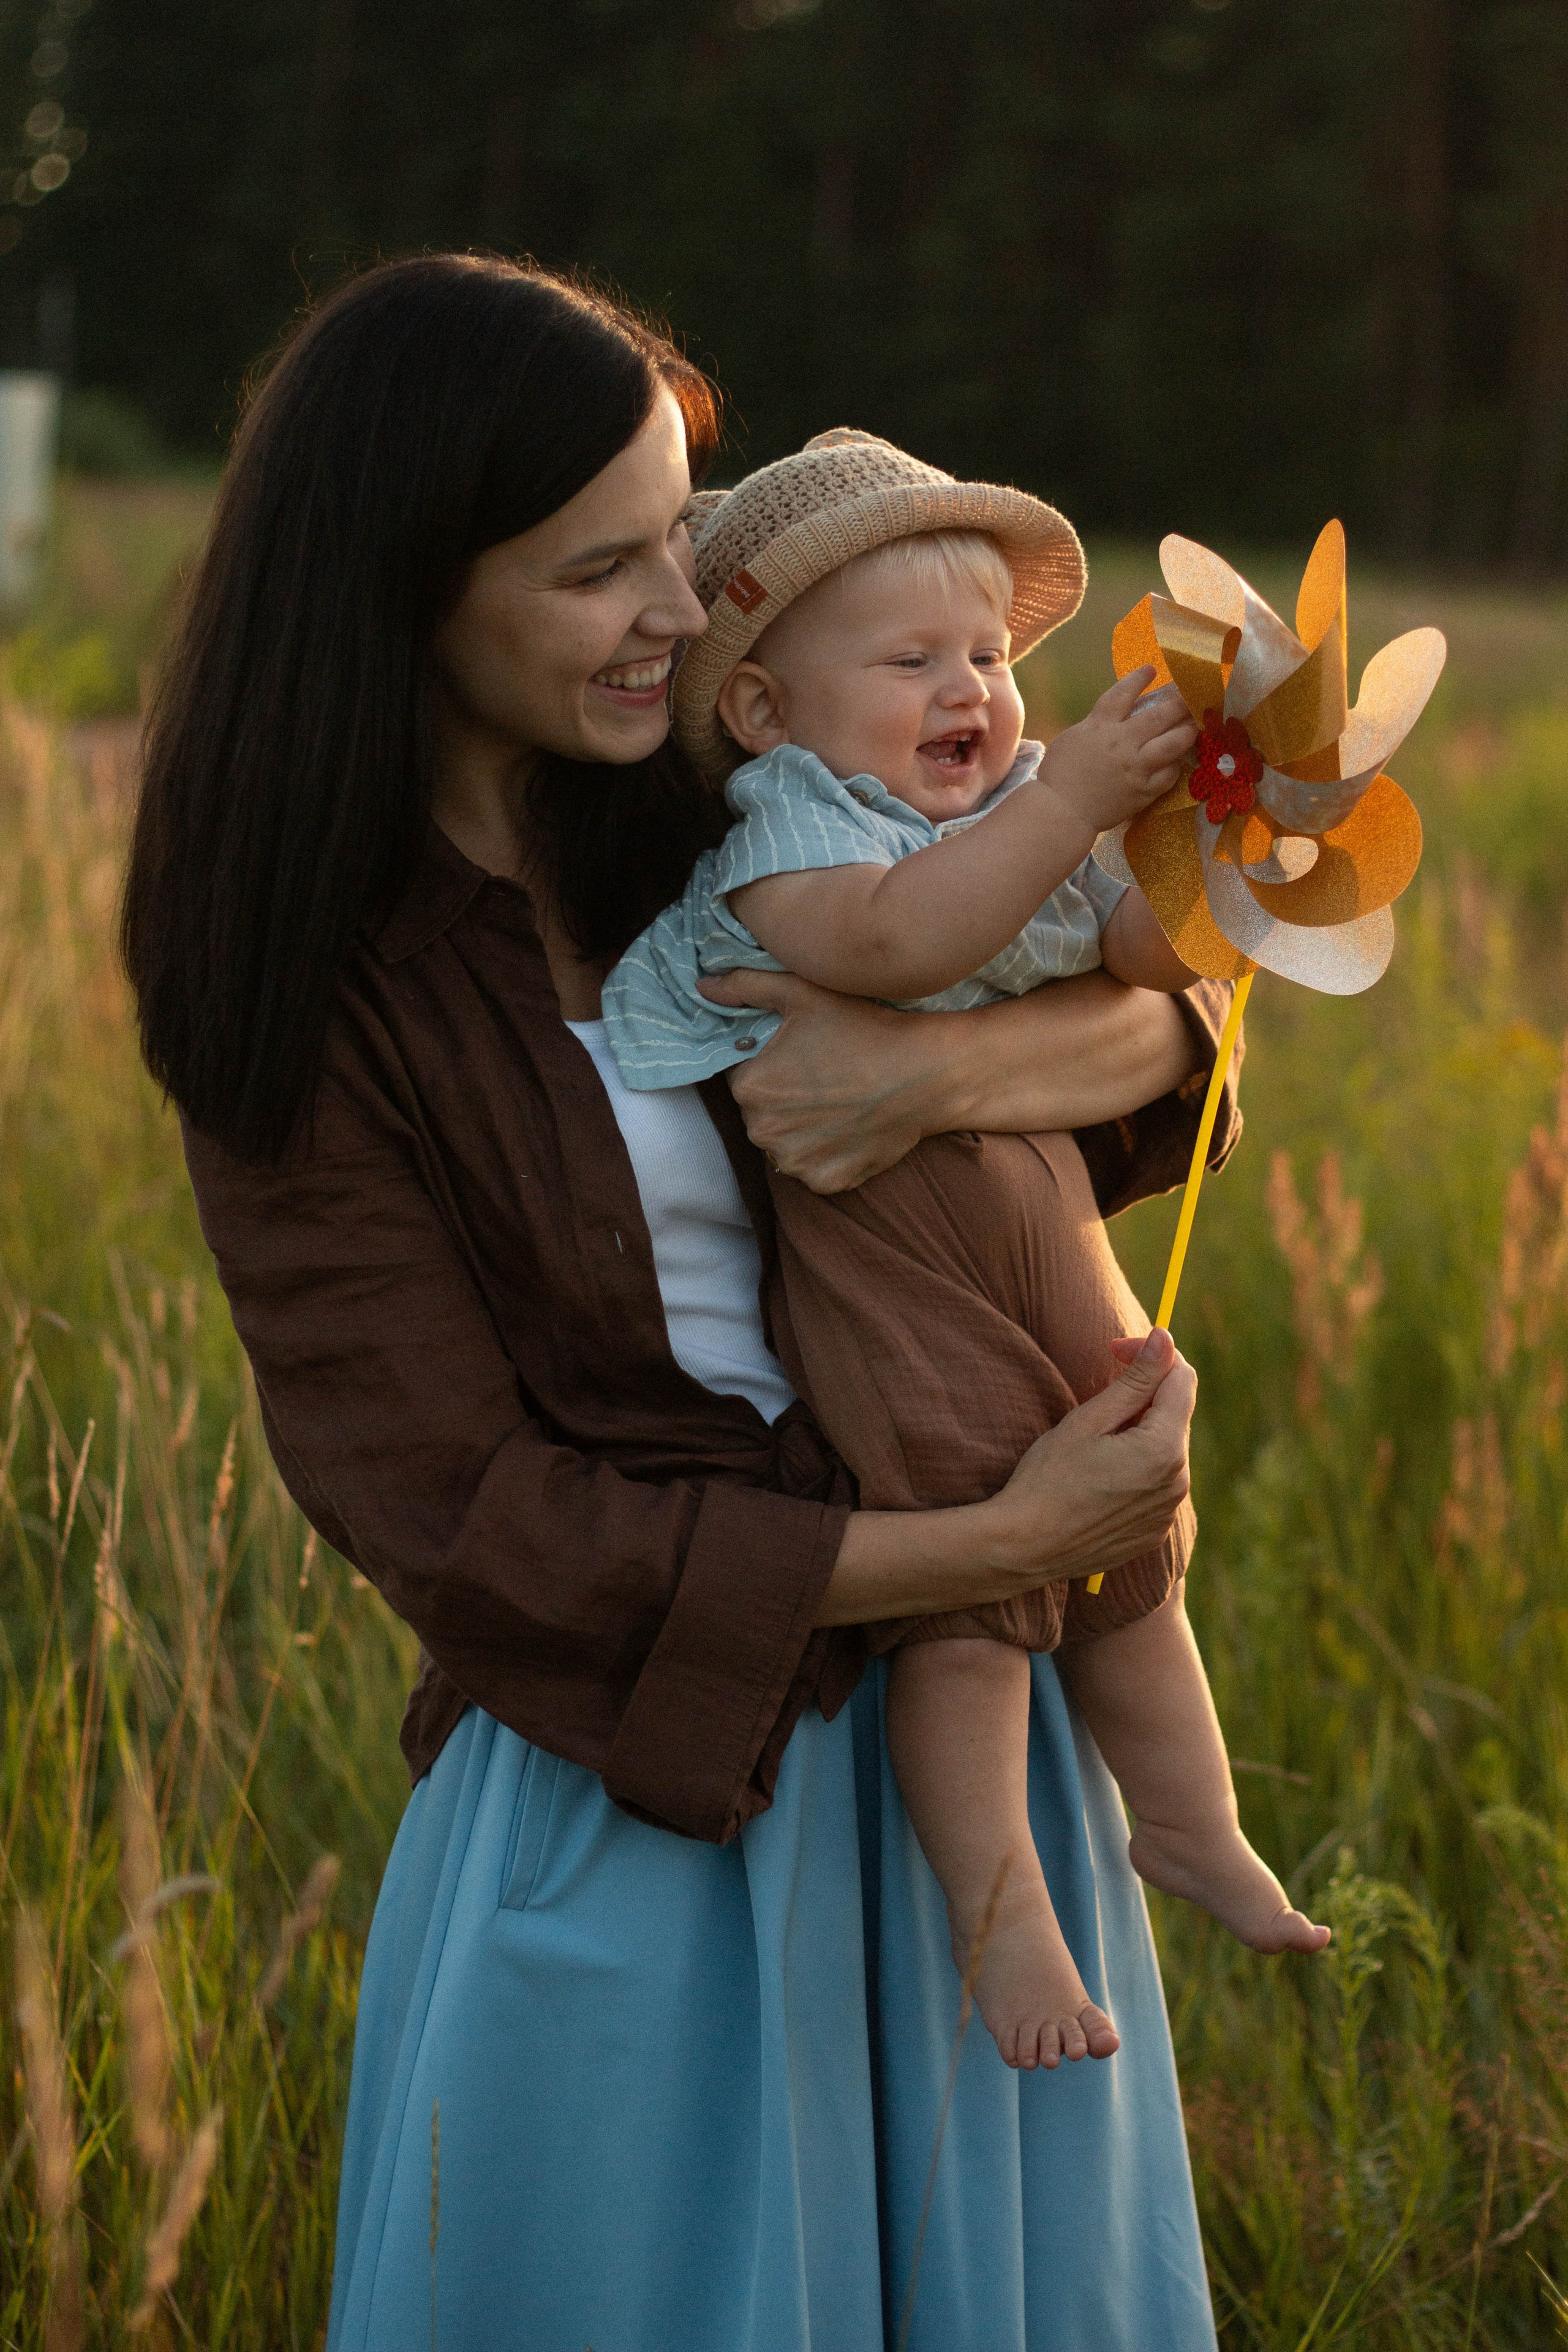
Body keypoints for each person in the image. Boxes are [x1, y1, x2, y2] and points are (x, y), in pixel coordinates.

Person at [122, 254, 1233, 2351]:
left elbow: (1174, 1028)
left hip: (968, 1782)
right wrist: (991, 1547)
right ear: (408, 585)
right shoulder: (302, 991)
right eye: (599, 567)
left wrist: (934, 1069)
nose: (682, 607)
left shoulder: (726, 808)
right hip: (652, 1776)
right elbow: (470, 1520)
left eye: (680, 541)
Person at [603, 435, 1330, 2076]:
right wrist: (1071, 797)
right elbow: (902, 942)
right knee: (977, 1585)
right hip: (897, 1293)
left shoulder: (1013, 803)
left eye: (995, 657)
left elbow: (1149, 963)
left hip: (1055, 1259)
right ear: (768, 711)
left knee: (1137, 1535)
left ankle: (1192, 1822)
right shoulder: (790, 837)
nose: (978, 691)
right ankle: (999, 1910)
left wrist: (1229, 844)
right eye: (915, 659)